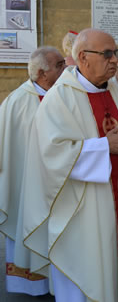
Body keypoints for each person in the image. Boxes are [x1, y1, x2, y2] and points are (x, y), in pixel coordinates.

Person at [22, 29, 118, 302]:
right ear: (82, 57)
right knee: (88, 278)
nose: (115, 60)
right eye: (107, 54)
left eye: (115, 52)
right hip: (84, 211)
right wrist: (104, 147)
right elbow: (51, 155)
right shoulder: (60, 98)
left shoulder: (117, 92)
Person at [0, 46, 65, 295]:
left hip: (56, 182)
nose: (65, 69)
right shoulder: (18, 101)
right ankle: (33, 285)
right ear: (41, 72)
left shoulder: (62, 95)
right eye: (59, 65)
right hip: (26, 187)